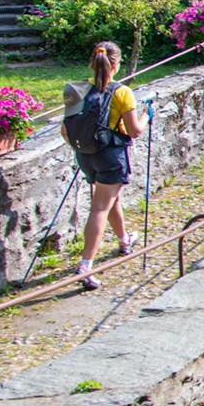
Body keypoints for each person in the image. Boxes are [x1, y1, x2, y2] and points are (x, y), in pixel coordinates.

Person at [62, 41, 148, 290]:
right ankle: (86, 266)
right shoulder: (122, 92)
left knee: (111, 199)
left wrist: (83, 146)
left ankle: (124, 239)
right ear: (117, 64)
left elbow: (65, 130)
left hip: (86, 155)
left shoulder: (80, 90)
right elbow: (134, 131)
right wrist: (146, 115)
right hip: (110, 155)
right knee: (100, 208)